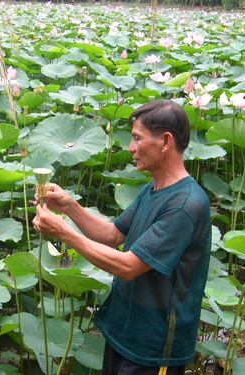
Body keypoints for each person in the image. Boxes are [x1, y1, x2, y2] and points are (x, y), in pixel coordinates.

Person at [32, 99, 211, 375]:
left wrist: (64, 233)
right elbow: (112, 234)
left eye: (137, 138)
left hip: (153, 349)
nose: (130, 148)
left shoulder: (186, 205)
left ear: (165, 142)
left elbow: (128, 266)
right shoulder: (152, 189)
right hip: (124, 333)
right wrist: (69, 205)